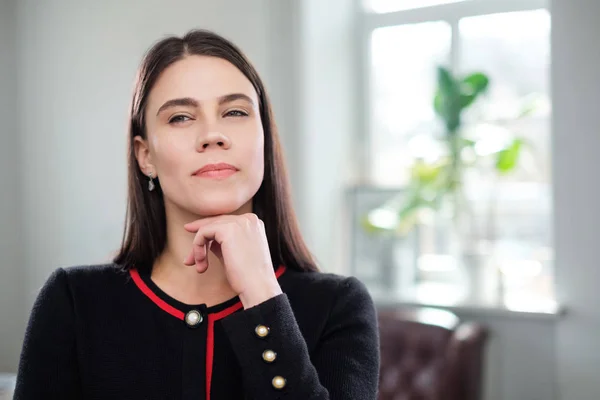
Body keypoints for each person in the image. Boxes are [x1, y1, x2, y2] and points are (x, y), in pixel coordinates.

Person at [14, 29, 380, 400]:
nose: (213, 134)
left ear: (263, 140)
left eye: (235, 112)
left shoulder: (339, 306)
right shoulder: (73, 302)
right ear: (145, 156)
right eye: (181, 118)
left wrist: (262, 294)